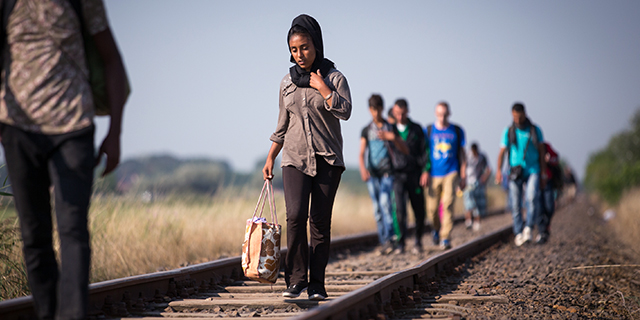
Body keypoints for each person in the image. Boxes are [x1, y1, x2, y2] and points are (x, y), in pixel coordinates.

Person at [0, 1, 128, 319]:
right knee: (34, 233)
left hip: (72, 125)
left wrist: (114, 132)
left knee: (72, 229)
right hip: (18, 128)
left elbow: (112, 60)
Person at [262, 14, 352, 301]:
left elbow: (345, 111)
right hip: (294, 159)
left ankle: (317, 285)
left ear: (317, 46)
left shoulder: (334, 77)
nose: (299, 55)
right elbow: (282, 126)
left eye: (305, 48)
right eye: (294, 49)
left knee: (319, 223)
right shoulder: (286, 84)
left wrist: (324, 89)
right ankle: (296, 280)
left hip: (327, 160)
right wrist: (270, 158)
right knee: (296, 216)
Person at [359, 94, 408, 255]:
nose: (375, 113)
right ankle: (384, 241)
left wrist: (393, 138)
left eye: (378, 110)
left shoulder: (390, 127)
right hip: (372, 175)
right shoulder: (366, 130)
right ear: (369, 110)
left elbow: (404, 149)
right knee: (377, 210)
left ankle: (391, 237)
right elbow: (361, 152)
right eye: (372, 110)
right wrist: (362, 169)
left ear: (382, 109)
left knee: (386, 204)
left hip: (388, 173)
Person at [495, 103, 546, 247]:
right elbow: (502, 152)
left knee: (531, 197)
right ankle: (518, 232)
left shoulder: (535, 130)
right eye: (514, 116)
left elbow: (542, 152)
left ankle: (528, 227)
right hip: (514, 171)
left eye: (519, 116)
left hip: (533, 169)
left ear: (524, 113)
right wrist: (499, 171)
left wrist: (543, 173)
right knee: (515, 203)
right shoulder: (509, 131)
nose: (517, 119)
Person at [420, 102, 466, 250]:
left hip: (451, 172)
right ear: (435, 114)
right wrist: (424, 171)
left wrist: (463, 175)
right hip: (433, 173)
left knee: (448, 204)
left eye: (445, 114)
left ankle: (445, 237)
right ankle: (436, 229)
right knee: (432, 209)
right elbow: (424, 153)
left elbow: (462, 155)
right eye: (440, 114)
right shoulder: (428, 130)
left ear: (449, 114)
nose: (442, 117)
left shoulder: (457, 131)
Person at [389, 98, 427, 254]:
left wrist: (426, 170)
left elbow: (425, 151)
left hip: (415, 174)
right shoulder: (390, 129)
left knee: (419, 210)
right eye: (397, 114)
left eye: (402, 114)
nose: (400, 117)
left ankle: (418, 240)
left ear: (407, 112)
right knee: (399, 210)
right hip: (397, 175)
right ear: (393, 112)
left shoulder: (417, 129)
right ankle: (401, 242)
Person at [463, 142, 491, 231]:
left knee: (478, 204)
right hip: (468, 183)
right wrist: (463, 178)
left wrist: (484, 178)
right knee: (468, 202)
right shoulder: (467, 156)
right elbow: (463, 166)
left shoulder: (482, 157)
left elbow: (488, 169)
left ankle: (477, 222)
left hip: (478, 183)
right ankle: (468, 221)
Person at [536, 142, 560, 244]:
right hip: (535, 180)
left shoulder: (546, 146)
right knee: (538, 207)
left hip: (547, 180)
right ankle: (542, 231)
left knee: (550, 206)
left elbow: (556, 158)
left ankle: (546, 224)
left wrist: (549, 160)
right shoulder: (528, 147)